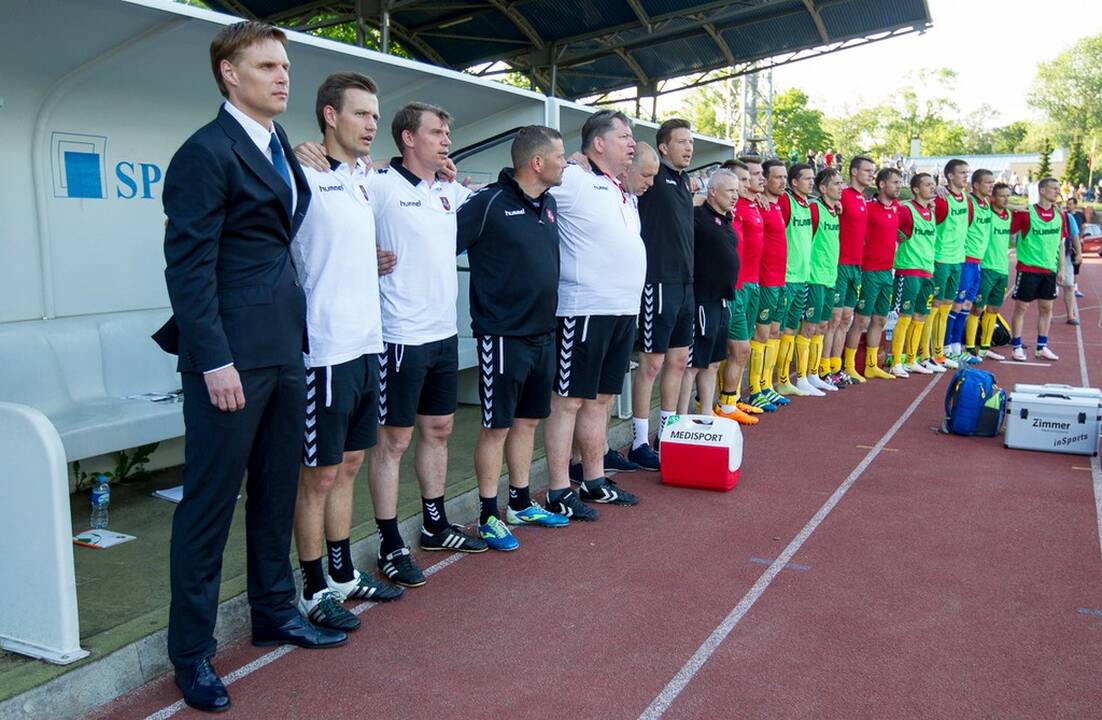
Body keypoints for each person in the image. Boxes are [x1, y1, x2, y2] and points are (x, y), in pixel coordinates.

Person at [153, 22, 342, 714]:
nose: (282, 76)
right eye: (266, 65)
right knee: (207, 507)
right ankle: (192, 655)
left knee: (273, 491)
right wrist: (214, 361)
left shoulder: (281, 147)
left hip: (285, 348)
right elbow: (188, 268)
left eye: (285, 65)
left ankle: (274, 610)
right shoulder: (205, 153)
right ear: (229, 75)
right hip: (231, 359)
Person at [289, 72, 404, 634]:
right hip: (324, 349)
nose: (371, 126)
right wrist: (290, 152)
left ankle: (340, 572)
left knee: (352, 464)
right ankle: (311, 587)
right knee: (318, 473)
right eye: (360, 114)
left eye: (376, 117)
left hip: (368, 344)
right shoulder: (299, 171)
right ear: (330, 116)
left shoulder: (363, 176)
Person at [455, 126, 575, 549]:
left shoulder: (550, 204)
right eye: (560, 156)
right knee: (497, 427)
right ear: (537, 162)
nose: (566, 162)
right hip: (501, 336)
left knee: (527, 422)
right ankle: (489, 514)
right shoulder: (487, 203)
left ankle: (520, 503)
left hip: (544, 333)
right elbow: (440, 246)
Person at [544, 110, 644, 509]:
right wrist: (567, 161)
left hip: (622, 309)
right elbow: (529, 181)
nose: (632, 143)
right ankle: (557, 488)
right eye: (624, 136)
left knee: (601, 398)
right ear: (598, 143)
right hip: (584, 309)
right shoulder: (575, 179)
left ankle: (593, 478)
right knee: (568, 400)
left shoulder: (620, 189)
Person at [630, 118, 695, 471]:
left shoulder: (685, 182)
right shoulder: (652, 181)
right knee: (651, 363)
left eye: (690, 141)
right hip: (658, 282)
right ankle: (640, 441)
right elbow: (632, 159)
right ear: (664, 147)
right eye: (681, 141)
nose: (688, 147)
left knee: (679, 361)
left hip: (686, 284)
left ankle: (666, 433)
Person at [679, 169, 741, 418]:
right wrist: (696, 197)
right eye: (730, 191)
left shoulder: (726, 219)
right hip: (703, 300)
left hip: (722, 301)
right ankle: (680, 419)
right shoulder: (697, 216)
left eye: (737, 191)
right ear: (713, 192)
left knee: (713, 362)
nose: (735, 196)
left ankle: (706, 413)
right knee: (693, 364)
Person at [716, 160, 768, 423]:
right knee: (736, 349)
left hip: (750, 285)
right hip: (731, 289)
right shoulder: (727, 211)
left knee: (740, 349)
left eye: (748, 181)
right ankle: (723, 404)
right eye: (741, 181)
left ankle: (730, 401)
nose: (745, 186)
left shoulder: (753, 206)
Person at [846, 167, 902, 380]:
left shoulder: (897, 207)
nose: (898, 186)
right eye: (895, 182)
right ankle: (849, 366)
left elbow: (903, 231)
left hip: (887, 272)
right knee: (860, 320)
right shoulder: (867, 207)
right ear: (882, 185)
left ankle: (871, 365)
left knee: (880, 320)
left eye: (899, 182)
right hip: (868, 271)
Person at [776, 163, 823, 396]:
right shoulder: (786, 201)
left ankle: (784, 380)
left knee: (791, 330)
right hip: (786, 277)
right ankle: (773, 381)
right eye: (807, 179)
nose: (811, 182)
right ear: (794, 182)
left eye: (813, 179)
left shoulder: (810, 206)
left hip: (803, 277)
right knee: (777, 330)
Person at [888, 173, 940, 377]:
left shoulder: (931, 210)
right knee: (905, 316)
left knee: (920, 315)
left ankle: (911, 359)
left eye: (933, 184)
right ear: (916, 189)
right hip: (908, 269)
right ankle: (896, 361)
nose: (932, 188)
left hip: (928, 270)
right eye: (928, 185)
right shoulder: (906, 209)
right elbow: (892, 227)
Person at [830, 155, 876, 384]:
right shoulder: (843, 196)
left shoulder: (862, 199)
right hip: (840, 265)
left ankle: (838, 368)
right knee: (835, 318)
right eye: (867, 170)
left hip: (857, 266)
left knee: (847, 317)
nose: (871, 175)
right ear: (854, 172)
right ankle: (823, 368)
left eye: (873, 171)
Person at [1009, 177, 1066, 361]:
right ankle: (1016, 345)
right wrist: (1011, 207)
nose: (1057, 191)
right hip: (1028, 269)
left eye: (1059, 188)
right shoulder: (1027, 213)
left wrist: (1061, 268)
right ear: (1042, 190)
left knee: (1047, 308)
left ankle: (1042, 346)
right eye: (1054, 188)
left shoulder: (1060, 215)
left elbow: (1060, 243)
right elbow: (1006, 228)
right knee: (1021, 307)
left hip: (1049, 270)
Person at [754, 158, 794, 405]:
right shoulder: (759, 206)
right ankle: (755, 388)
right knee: (761, 334)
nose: (782, 182)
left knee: (775, 332)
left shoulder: (780, 205)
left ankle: (767, 385)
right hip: (765, 279)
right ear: (765, 180)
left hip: (782, 279)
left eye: (784, 177)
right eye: (777, 177)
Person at [803, 167, 845, 392]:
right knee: (808, 328)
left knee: (822, 327)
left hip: (831, 277)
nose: (841, 188)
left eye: (841, 183)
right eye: (836, 184)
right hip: (814, 278)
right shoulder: (814, 209)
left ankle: (813, 373)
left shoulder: (834, 210)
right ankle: (801, 377)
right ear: (822, 188)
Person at [931, 158, 973, 369]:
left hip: (958, 260)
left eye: (967, 172)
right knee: (934, 308)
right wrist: (936, 188)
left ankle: (941, 351)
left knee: (947, 308)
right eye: (962, 172)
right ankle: (928, 353)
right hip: (940, 260)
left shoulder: (966, 198)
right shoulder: (940, 198)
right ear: (950, 176)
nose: (966, 176)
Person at [972, 182, 1013, 360]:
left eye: (1007, 196)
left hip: (1002, 269)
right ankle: (970, 346)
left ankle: (985, 347)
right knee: (977, 308)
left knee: (993, 309)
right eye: (1002, 195)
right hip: (986, 267)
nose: (1006, 199)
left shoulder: (1009, 215)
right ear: (993, 197)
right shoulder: (986, 212)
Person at [957, 170, 995, 360]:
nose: (991, 186)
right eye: (987, 183)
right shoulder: (968, 201)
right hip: (965, 260)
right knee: (956, 305)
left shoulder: (987, 203)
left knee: (967, 305)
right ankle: (952, 348)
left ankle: (959, 347)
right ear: (976, 185)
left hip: (978, 262)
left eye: (992, 182)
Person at [1061, 202, 1082, 326]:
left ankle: (1070, 315)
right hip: (1048, 258)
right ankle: (1049, 314)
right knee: (1050, 289)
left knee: (1069, 285)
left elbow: (1075, 236)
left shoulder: (1068, 218)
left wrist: (1079, 253)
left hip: (1066, 256)